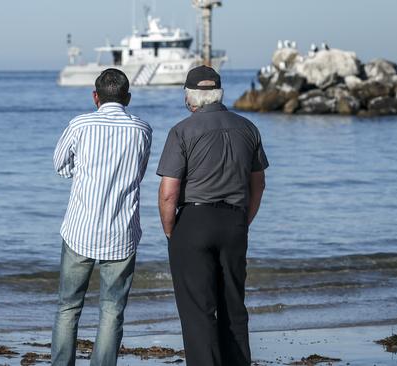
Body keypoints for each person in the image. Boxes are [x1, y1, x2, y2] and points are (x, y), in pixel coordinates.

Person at [156, 66, 268, 366]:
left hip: (193, 221)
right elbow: (258, 184)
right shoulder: (248, 128)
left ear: (189, 97)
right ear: (219, 92)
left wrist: (170, 231)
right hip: (234, 221)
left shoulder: (182, 130)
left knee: (197, 310)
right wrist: (244, 220)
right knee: (233, 304)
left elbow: (169, 192)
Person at [52, 68, 152, 366]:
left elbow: (60, 165)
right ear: (128, 98)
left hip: (80, 229)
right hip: (122, 231)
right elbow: (139, 173)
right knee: (112, 310)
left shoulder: (80, 124)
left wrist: (80, 173)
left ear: (95, 97)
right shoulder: (142, 130)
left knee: (68, 307)